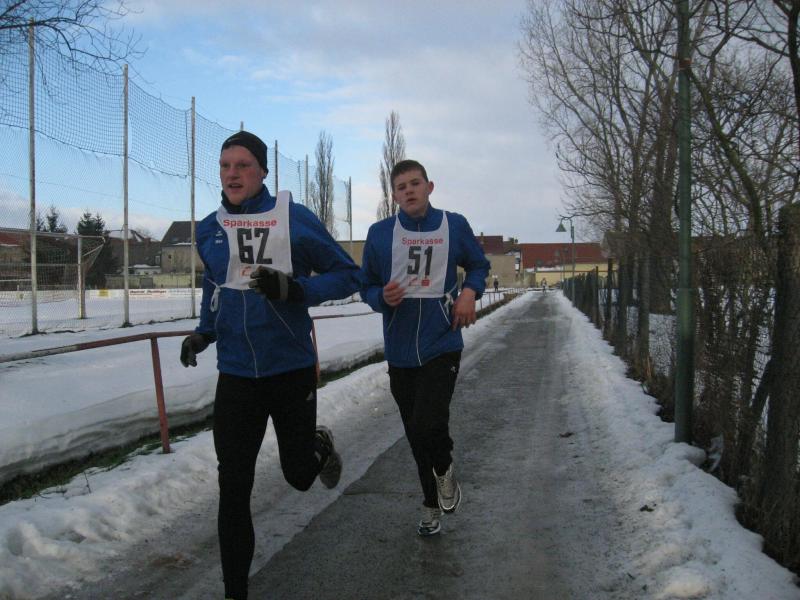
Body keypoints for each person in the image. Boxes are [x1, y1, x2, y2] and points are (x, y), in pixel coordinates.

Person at [179, 130, 360, 600]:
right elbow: (215, 286)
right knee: (233, 486)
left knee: (298, 476)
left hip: (289, 368)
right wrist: (204, 332)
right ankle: (235, 591)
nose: (232, 174)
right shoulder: (209, 228)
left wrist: (298, 290)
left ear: (262, 171)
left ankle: (318, 446)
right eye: (225, 166)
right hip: (237, 374)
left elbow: (348, 275)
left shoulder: (292, 219)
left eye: (242, 165)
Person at [360, 159, 490, 537]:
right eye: (401, 187)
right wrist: (380, 297)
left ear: (429, 187)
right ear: (394, 195)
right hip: (400, 350)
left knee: (428, 421)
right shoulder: (380, 234)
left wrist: (470, 292)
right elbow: (366, 284)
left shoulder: (453, 225)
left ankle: (445, 469)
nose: (409, 191)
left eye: (415, 183)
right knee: (416, 435)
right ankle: (431, 504)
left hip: (441, 341)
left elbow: (478, 266)